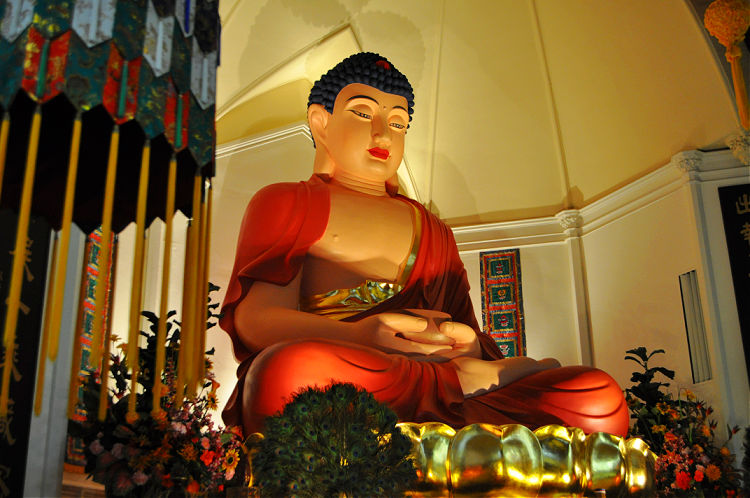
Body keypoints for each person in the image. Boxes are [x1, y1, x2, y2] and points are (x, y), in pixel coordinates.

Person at [220, 53, 628, 437]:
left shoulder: (432, 227)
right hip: (356, 377)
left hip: (448, 377)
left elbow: (472, 334)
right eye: (362, 113)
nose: (382, 133)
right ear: (320, 122)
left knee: (598, 396)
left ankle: (462, 393)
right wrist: (363, 336)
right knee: (284, 374)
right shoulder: (287, 201)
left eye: (397, 123)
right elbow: (256, 322)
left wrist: (469, 347)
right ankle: (466, 414)